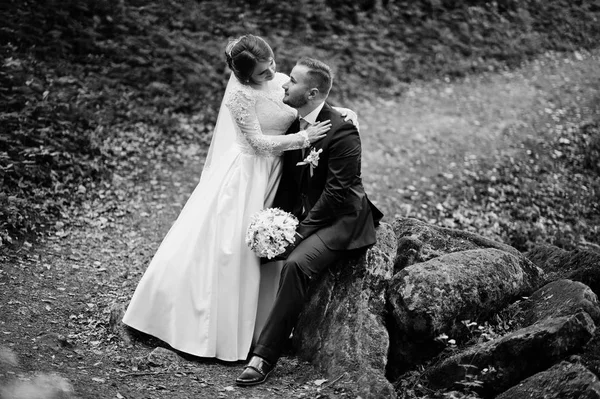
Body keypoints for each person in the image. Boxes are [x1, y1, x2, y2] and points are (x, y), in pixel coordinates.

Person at [122, 35, 357, 362]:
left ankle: (260, 329)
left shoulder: (280, 80)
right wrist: (302, 138)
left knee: (269, 240)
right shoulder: (239, 94)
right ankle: (209, 331)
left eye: (272, 64)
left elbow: (309, 101)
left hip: (276, 172)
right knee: (231, 248)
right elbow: (258, 143)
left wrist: (343, 113)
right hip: (247, 174)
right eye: (263, 72)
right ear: (246, 77)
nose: (273, 73)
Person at [235, 57, 383, 386]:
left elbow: (335, 194)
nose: (285, 84)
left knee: (296, 265)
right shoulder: (294, 126)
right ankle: (238, 335)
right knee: (253, 253)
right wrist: (274, 224)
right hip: (310, 217)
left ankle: (263, 356)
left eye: (294, 82)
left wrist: (298, 233)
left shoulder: (343, 131)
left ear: (312, 93)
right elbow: (289, 186)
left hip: (343, 220)